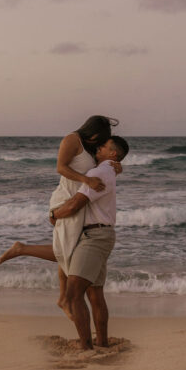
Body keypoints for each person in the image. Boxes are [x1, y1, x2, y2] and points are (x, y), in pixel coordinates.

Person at [0, 116, 120, 314]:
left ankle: (62, 296)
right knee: (68, 250)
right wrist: (86, 181)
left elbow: (99, 171)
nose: (100, 144)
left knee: (69, 247)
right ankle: (23, 251)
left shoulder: (90, 147)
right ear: (95, 132)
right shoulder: (72, 139)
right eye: (102, 138)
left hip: (80, 203)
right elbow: (61, 167)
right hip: (66, 201)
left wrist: (115, 165)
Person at [48, 135, 129, 349]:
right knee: (95, 293)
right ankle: (101, 342)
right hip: (103, 234)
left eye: (103, 145)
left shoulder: (99, 172)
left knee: (74, 294)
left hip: (94, 237)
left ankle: (86, 348)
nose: (99, 147)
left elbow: (76, 203)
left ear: (112, 153)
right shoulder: (110, 169)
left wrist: (55, 214)